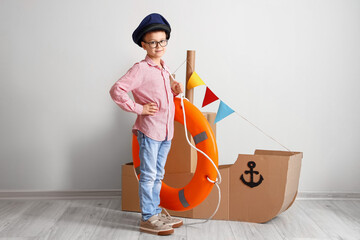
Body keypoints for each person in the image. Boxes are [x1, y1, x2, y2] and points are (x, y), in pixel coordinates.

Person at [109, 13, 184, 236]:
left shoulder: (165, 68)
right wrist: (139, 109)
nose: (158, 46)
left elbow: (161, 93)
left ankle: (155, 211)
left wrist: (175, 90)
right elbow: (117, 90)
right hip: (150, 131)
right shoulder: (140, 69)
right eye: (153, 42)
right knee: (149, 175)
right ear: (144, 44)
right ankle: (148, 217)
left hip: (166, 131)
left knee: (159, 174)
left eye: (162, 41)